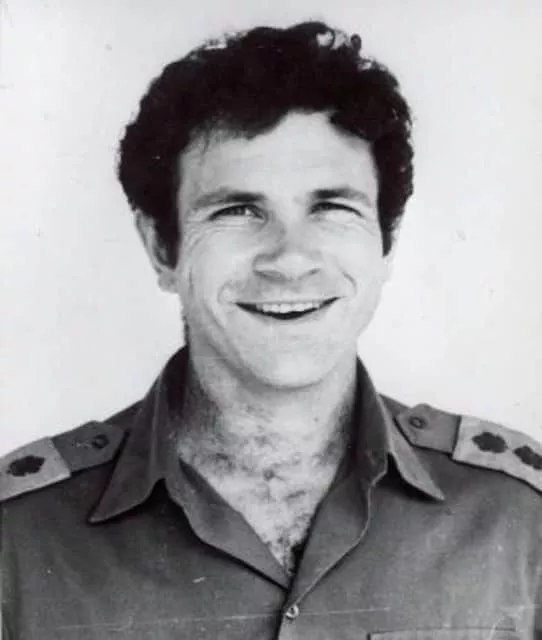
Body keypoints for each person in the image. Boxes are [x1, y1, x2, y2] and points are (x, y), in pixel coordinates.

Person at [1, 20, 540, 640]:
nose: (290, 259)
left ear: (385, 244)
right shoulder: (18, 541)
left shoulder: (519, 520)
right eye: (238, 210)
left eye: (331, 207)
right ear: (161, 249)